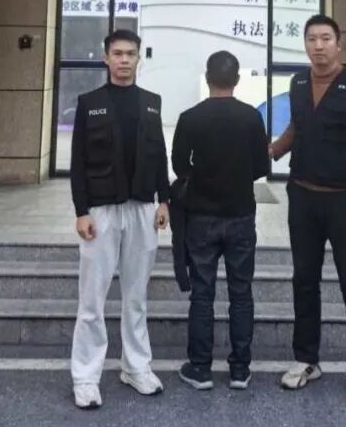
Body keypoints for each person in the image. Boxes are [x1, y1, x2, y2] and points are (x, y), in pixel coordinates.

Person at [269, 14, 346, 405]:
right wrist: (269, 151)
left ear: (339, 43)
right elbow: (297, 128)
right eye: (311, 39)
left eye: (325, 38)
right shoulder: (299, 83)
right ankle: (307, 360)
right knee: (304, 280)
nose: (317, 46)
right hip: (302, 196)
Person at [69, 29, 171, 410]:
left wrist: (165, 201)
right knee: (92, 299)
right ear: (106, 58)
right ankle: (85, 377)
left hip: (142, 208)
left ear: (138, 58)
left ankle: (136, 367)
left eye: (130, 53)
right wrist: (81, 210)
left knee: (136, 296)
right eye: (118, 53)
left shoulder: (151, 103)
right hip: (101, 211)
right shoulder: (89, 103)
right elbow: (77, 162)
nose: (124, 59)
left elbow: (159, 155)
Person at [171, 51, 270, 392]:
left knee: (202, 294)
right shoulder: (251, 117)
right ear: (237, 79)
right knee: (241, 293)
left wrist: (202, 177)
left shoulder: (190, 118)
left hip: (201, 217)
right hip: (241, 215)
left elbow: (179, 165)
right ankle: (240, 369)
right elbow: (262, 166)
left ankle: (200, 368)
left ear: (207, 76)